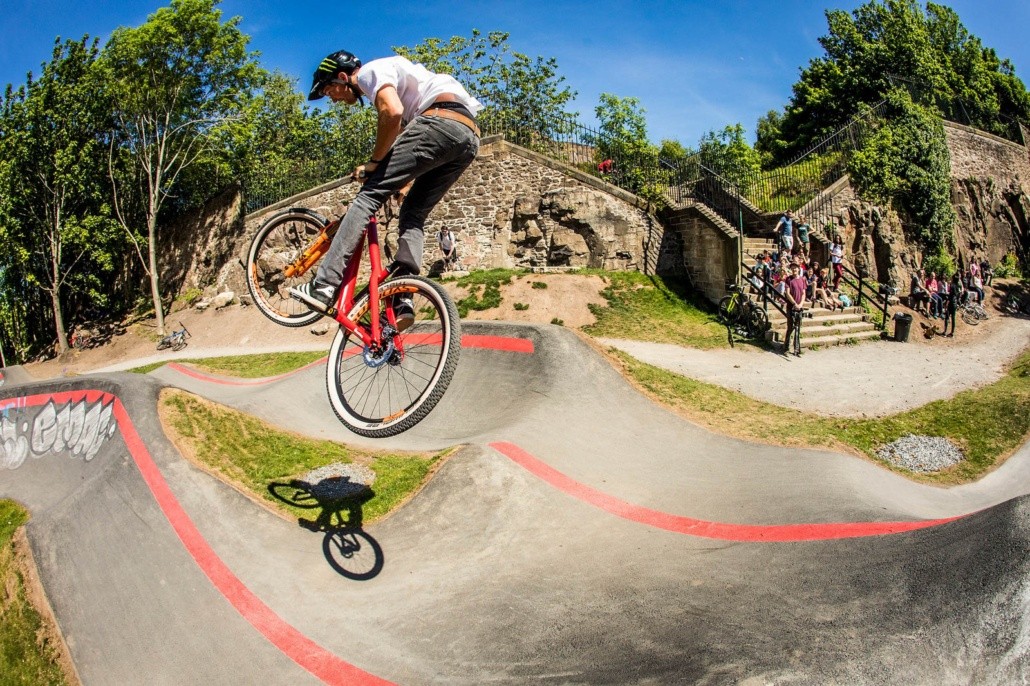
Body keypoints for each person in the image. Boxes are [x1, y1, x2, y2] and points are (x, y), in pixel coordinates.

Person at [291, 49, 482, 328]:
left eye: (328, 88)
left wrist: (373, 163)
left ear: (343, 77)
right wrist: (394, 177)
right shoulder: (404, 83)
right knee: (413, 214)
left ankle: (324, 284)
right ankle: (403, 296)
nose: (330, 97)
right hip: (468, 137)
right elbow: (411, 147)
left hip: (439, 121)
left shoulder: (369, 73)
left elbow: (392, 113)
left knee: (367, 198)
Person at [783, 263, 807, 356]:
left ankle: (797, 349)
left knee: (798, 328)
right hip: (791, 307)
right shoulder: (788, 279)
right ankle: (786, 348)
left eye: (795, 268)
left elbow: (803, 293)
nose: (794, 270)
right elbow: (787, 293)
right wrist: (794, 304)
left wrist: (800, 304)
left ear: (798, 269)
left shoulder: (802, 279)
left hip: (799, 307)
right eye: (792, 268)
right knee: (790, 328)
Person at [941, 272, 962, 337]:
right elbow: (959, 294)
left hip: (951, 302)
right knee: (953, 318)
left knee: (947, 317)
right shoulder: (958, 285)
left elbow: (950, 295)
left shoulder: (952, 285)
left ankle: (945, 331)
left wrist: (947, 302)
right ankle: (952, 333)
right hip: (955, 302)